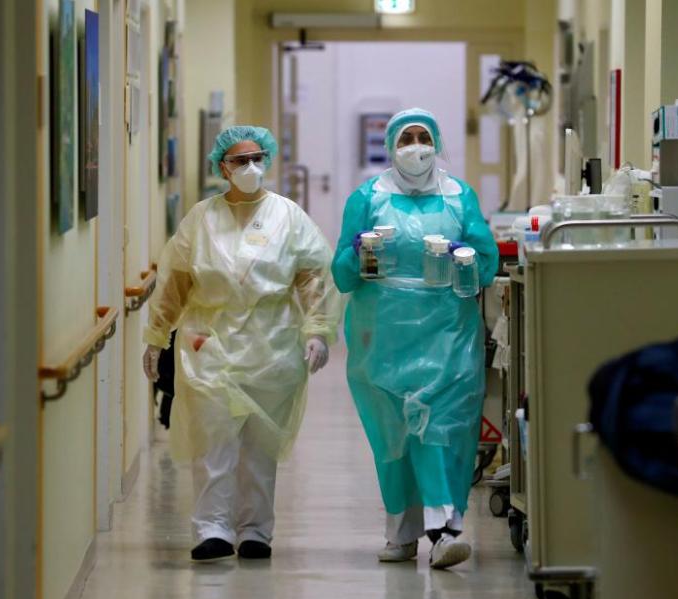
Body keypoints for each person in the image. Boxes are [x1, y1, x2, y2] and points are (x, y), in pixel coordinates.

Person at [142, 125, 342, 563]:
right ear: (222, 168)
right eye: (239, 161)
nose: (250, 167)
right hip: (208, 342)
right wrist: (156, 337)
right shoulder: (201, 219)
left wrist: (317, 330)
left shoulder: (288, 216)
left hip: (271, 343)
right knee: (213, 441)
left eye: (256, 159)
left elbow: (313, 276)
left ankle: (255, 531)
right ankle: (212, 529)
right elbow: (175, 283)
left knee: (259, 446)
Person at [331, 108, 499, 569]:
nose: (416, 148)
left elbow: (487, 262)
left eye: (424, 137)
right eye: (406, 139)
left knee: (440, 428)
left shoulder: (458, 196)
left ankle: (446, 530)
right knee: (393, 434)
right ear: (391, 147)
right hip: (383, 335)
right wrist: (359, 253)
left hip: (447, 332)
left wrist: (466, 260)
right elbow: (342, 276)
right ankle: (401, 532)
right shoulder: (367, 198)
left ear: (438, 143)